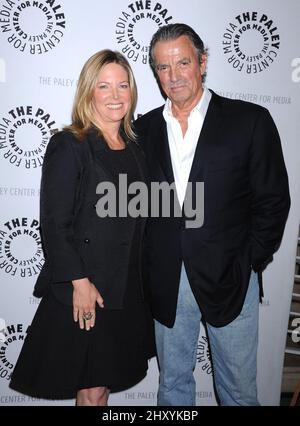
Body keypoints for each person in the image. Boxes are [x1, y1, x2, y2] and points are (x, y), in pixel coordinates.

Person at [134, 23, 290, 406]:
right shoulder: (143, 130)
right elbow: (138, 206)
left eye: (183, 62)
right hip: (167, 281)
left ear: (202, 63)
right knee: (172, 385)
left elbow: (273, 200)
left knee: (237, 391)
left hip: (231, 277)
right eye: (164, 67)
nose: (174, 75)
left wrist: (248, 260)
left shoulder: (249, 120)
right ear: (156, 73)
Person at [10, 49, 155, 406]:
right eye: (104, 86)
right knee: (90, 390)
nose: (116, 95)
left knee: (103, 386)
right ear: (89, 91)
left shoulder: (136, 147)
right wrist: (79, 282)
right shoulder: (70, 144)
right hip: (89, 288)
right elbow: (55, 223)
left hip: (128, 290)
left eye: (123, 85)